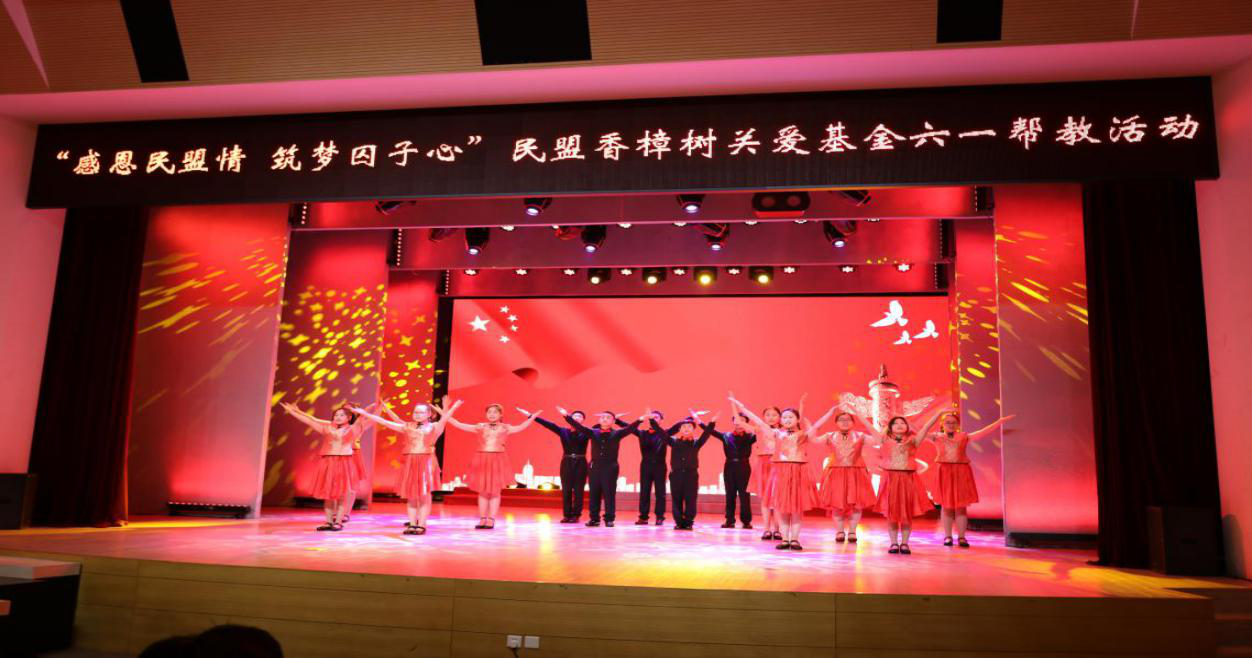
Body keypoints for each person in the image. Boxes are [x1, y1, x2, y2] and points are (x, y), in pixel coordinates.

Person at [731, 394, 836, 550]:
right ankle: (785, 539)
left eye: (791, 417)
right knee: (781, 507)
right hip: (780, 472)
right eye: (785, 417)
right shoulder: (776, 433)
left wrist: (830, 412)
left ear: (797, 420)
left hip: (798, 472)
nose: (787, 420)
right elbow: (758, 421)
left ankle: (795, 539)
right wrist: (742, 408)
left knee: (797, 508)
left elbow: (817, 425)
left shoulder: (803, 434)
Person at [350, 398, 460, 534]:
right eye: (415, 412)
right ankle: (412, 524)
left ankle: (422, 524)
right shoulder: (407, 426)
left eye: (421, 412)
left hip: (426, 462)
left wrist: (451, 407)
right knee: (412, 495)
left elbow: (445, 419)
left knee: (424, 494)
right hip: (410, 462)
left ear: (429, 414)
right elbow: (384, 422)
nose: (417, 414)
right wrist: (364, 413)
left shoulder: (435, 426)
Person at [279, 401, 375, 531]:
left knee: (342, 495)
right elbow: (310, 421)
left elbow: (363, 420)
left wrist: (367, 410)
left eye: (342, 415)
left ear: (349, 418)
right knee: (328, 495)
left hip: (343, 462)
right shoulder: (327, 428)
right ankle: (329, 521)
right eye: (336, 415)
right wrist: (293, 412)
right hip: (328, 462)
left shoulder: (353, 429)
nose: (338, 417)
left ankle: (338, 521)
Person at [924, 410, 1015, 547]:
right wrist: (937, 414)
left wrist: (999, 422)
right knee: (946, 506)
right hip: (944, 472)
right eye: (947, 422)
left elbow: (983, 432)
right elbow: (921, 431)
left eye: (954, 422)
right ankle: (948, 537)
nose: (951, 424)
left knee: (961, 506)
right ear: (942, 424)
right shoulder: (936, 437)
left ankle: (962, 537)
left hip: (961, 472)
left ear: (958, 424)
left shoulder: (963, 436)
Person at [443, 401, 539, 529]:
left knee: (494, 492)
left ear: (500, 415)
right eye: (489, 412)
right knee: (483, 491)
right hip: (482, 459)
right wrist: (450, 410)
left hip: (497, 460)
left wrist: (531, 417)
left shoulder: (505, 427)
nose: (492, 414)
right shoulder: (480, 427)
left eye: (495, 412)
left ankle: (491, 519)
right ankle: (483, 518)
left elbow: (521, 427)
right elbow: (458, 424)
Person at [873, 411, 944, 555]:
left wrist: (939, 414)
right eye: (895, 423)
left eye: (902, 423)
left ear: (907, 426)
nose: (899, 425)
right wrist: (856, 412)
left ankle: (905, 543)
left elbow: (926, 427)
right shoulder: (884, 440)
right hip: (891, 479)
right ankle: (893, 543)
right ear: (890, 427)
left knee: (907, 513)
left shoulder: (913, 440)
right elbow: (869, 427)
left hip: (908, 479)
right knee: (892, 513)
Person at [565, 409, 641, 527]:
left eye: (608, 417)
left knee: (609, 494)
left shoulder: (617, 433)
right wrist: (566, 416)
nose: (605, 419)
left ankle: (609, 519)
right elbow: (578, 426)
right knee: (594, 493)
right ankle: (594, 518)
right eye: (602, 417)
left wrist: (640, 420)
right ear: (599, 420)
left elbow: (629, 429)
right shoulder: (592, 432)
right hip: (594, 467)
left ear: (613, 421)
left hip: (610, 467)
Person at [814, 412, 876, 543]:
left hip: (856, 473)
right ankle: (840, 531)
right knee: (837, 504)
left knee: (856, 504)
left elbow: (879, 440)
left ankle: (852, 531)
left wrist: (862, 418)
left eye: (848, 419)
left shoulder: (861, 436)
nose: (845, 422)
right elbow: (813, 439)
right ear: (836, 423)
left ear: (853, 422)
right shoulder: (829, 436)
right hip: (836, 472)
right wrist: (827, 415)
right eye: (841, 419)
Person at [532, 409, 590, 523]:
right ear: (571, 418)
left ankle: (576, 515)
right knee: (566, 489)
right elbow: (549, 425)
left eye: (580, 416)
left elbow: (601, 428)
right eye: (575, 415)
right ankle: (567, 515)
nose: (577, 417)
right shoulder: (564, 431)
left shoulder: (587, 432)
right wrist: (532, 416)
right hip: (566, 462)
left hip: (581, 462)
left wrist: (614, 419)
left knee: (578, 490)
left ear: (583, 420)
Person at [626, 409, 681, 525]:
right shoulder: (642, 433)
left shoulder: (665, 433)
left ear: (661, 420)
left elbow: (677, 427)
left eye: (656, 417)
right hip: (645, 466)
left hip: (660, 466)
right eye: (651, 417)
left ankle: (660, 517)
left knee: (660, 493)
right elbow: (628, 428)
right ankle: (643, 517)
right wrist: (615, 420)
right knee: (644, 492)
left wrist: (691, 418)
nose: (653, 419)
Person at [667, 410, 717, 529]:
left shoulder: (696, 442)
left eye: (689, 427)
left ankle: (689, 522)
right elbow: (661, 434)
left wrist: (712, 423)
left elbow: (706, 434)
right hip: (676, 475)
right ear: (679, 429)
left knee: (691, 499)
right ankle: (679, 522)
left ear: (693, 429)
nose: (686, 429)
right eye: (683, 427)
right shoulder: (673, 441)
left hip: (691, 475)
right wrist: (652, 421)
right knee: (676, 499)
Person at [712, 409, 756, 528]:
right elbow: (710, 431)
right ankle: (729, 520)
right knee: (730, 494)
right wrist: (711, 422)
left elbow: (763, 432)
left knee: (744, 495)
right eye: (737, 420)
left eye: (742, 421)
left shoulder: (751, 436)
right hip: (729, 467)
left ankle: (746, 521)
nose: (739, 423)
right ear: (733, 422)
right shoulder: (726, 436)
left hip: (744, 467)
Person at [749, 404, 783, 540]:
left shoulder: (783, 431)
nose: (771, 417)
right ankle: (766, 529)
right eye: (768, 415)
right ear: (763, 417)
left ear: (780, 417)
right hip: (763, 464)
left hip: (778, 464)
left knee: (778, 498)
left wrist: (801, 406)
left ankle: (777, 529)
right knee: (765, 499)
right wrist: (736, 405)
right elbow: (740, 422)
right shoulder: (758, 429)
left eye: (774, 415)